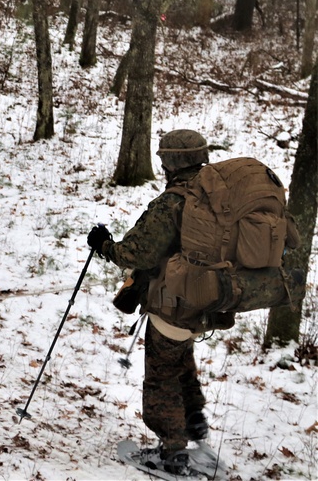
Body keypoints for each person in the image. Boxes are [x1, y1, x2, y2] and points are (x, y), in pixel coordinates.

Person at [84, 130, 215, 476]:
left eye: (162, 160)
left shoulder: (173, 202)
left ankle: (173, 453)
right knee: (182, 364)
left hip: (173, 302)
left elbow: (136, 252)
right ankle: (195, 425)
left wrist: (104, 245)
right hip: (206, 301)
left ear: (171, 163)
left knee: (162, 379)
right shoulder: (217, 196)